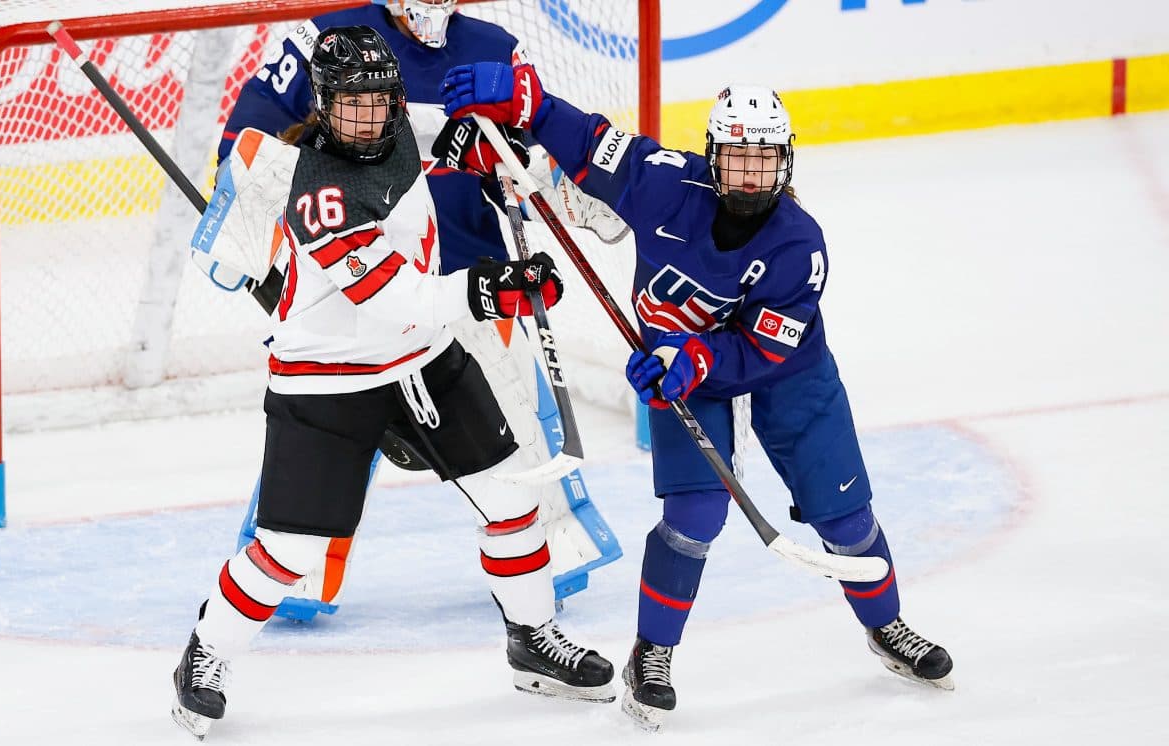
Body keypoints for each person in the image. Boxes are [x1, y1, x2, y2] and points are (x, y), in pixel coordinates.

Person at [442, 63, 955, 731]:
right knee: (695, 516)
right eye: (737, 159)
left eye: (764, 160)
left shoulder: (800, 245)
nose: (750, 175)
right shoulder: (661, 181)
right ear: (712, 158)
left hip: (785, 373)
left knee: (846, 519)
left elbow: (769, 347)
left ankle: (887, 627)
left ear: (785, 161)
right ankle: (651, 654)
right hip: (671, 366)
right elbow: (589, 139)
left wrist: (699, 356)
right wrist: (530, 100)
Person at [171, 28, 615, 740]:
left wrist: (497, 156)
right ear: (323, 106)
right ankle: (207, 653)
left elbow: (449, 134)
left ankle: (531, 637)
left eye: (380, 100)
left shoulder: (398, 121)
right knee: (288, 552)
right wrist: (493, 284)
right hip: (326, 384)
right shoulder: (319, 195)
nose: (368, 117)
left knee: (512, 497)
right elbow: (394, 299)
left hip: (423, 361)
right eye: (351, 105)